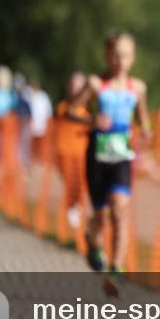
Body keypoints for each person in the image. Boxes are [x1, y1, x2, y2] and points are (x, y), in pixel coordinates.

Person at [69, 32, 152, 278]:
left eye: (125, 55)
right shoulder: (96, 84)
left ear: (132, 58)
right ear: (107, 56)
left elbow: (143, 117)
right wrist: (92, 119)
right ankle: (92, 241)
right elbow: (70, 110)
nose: (119, 60)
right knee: (101, 214)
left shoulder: (137, 88)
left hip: (122, 154)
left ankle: (116, 266)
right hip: (97, 153)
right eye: (115, 55)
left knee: (119, 209)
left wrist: (146, 131)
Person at [55, 71, 92, 230]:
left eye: (79, 85)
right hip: (64, 151)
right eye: (73, 85)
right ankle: (72, 208)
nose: (75, 89)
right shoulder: (63, 107)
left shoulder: (86, 111)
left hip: (81, 153)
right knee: (70, 182)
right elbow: (68, 116)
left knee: (81, 183)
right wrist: (93, 122)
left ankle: (76, 208)